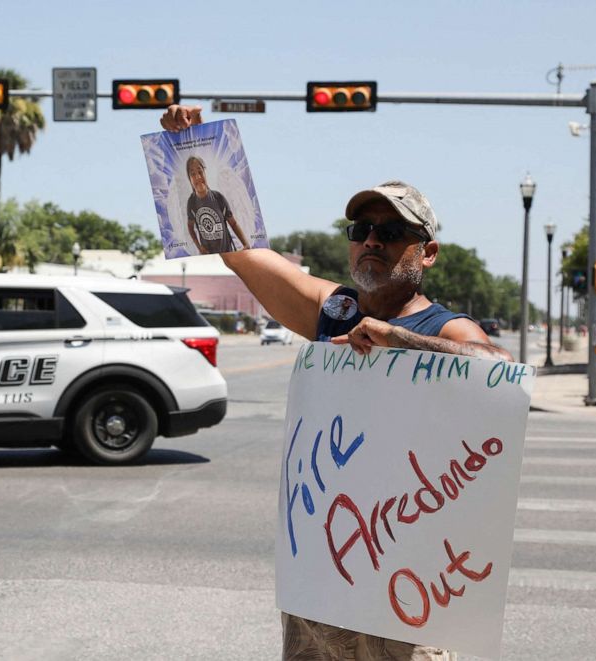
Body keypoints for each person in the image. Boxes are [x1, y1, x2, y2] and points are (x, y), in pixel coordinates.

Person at [161, 105, 513, 661]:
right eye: (362, 230)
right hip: (326, 580)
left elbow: (500, 371)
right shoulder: (335, 309)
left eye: (392, 231)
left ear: (428, 251)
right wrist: (190, 153)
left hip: (405, 588)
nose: (372, 241)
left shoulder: (441, 325)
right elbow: (238, 253)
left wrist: (406, 344)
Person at [185, 155, 251, 254]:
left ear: (205, 173)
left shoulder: (218, 198)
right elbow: (190, 227)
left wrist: (246, 244)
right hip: (209, 259)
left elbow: (233, 223)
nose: (198, 177)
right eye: (193, 174)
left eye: (200, 172)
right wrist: (199, 247)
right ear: (189, 179)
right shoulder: (191, 202)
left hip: (227, 253)